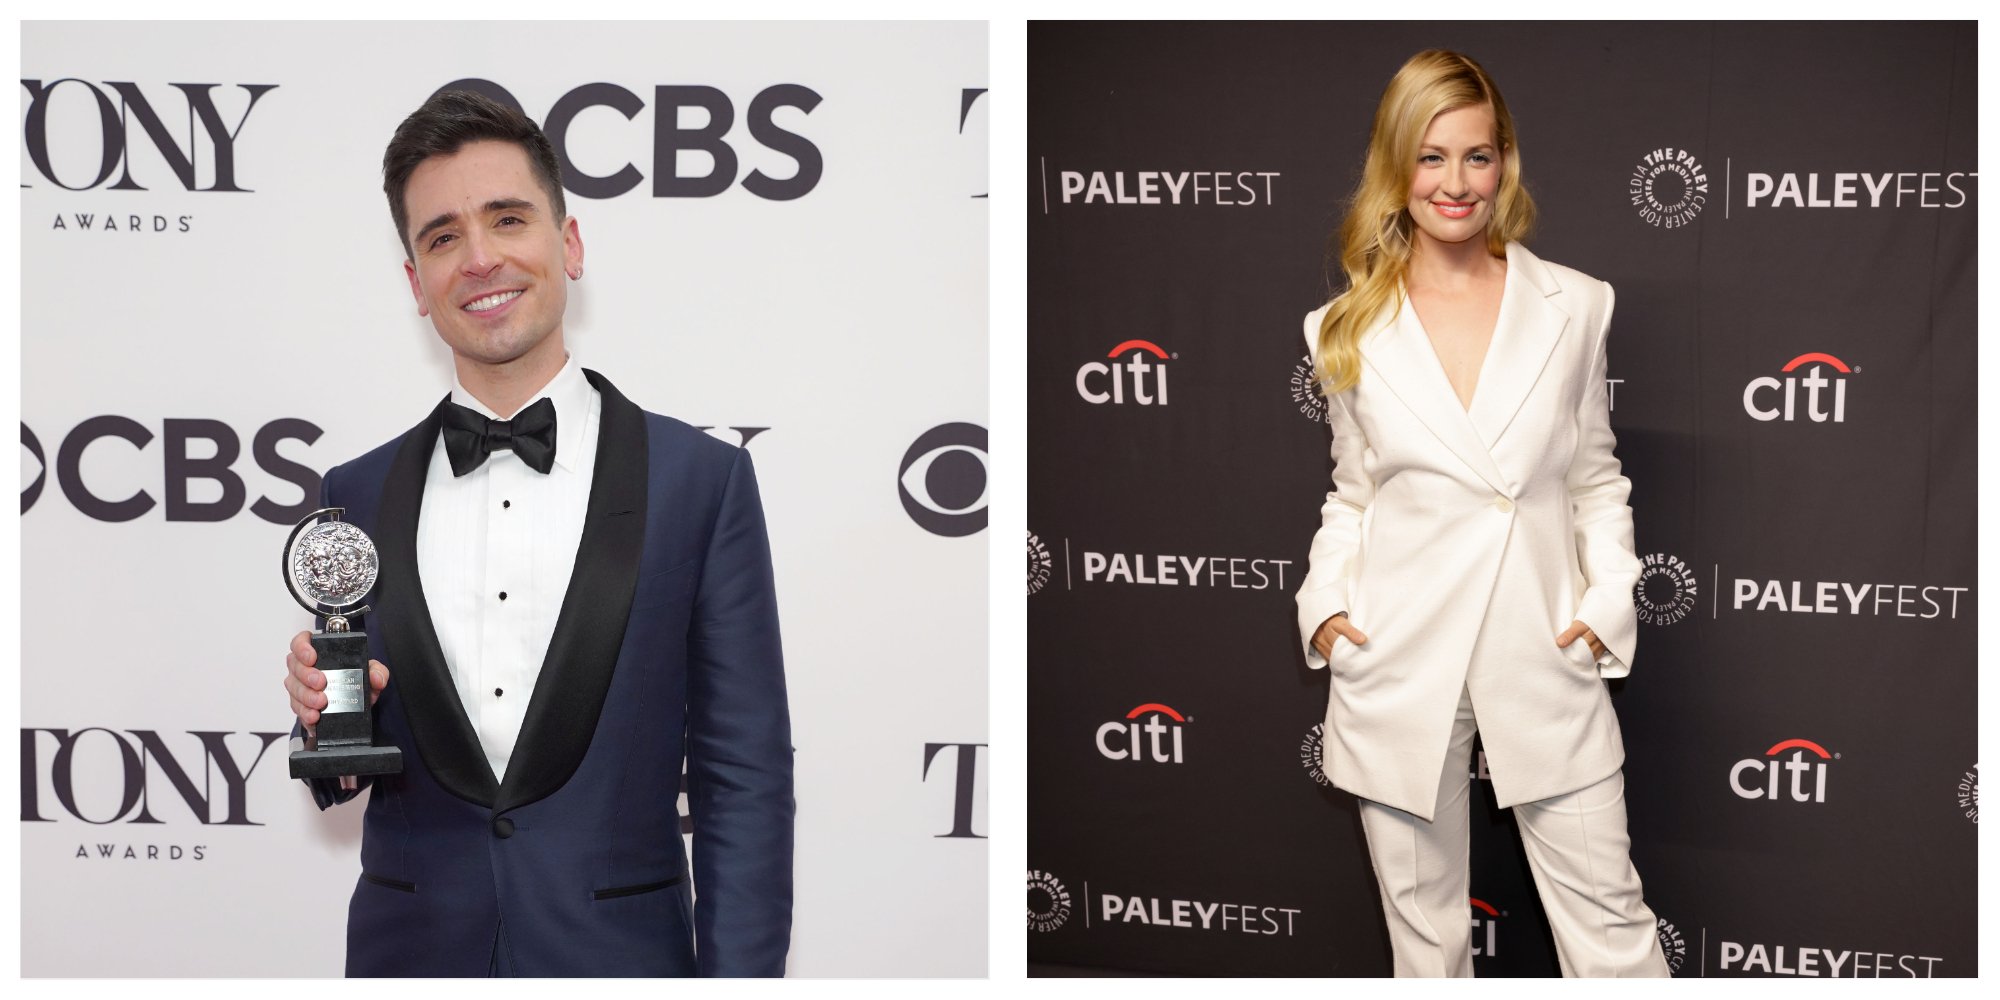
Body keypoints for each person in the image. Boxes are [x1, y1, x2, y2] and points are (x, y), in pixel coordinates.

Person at [280, 89, 793, 977]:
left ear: (570, 243)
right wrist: (324, 721)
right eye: (442, 237)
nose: (479, 259)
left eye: (507, 219)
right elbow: (342, 774)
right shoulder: (353, 493)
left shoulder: (700, 485)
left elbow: (742, 783)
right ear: (415, 283)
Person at [1295, 50, 1668, 978]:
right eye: (1430, 158)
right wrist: (1328, 608)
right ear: (1395, 167)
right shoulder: (1342, 326)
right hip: (1397, 649)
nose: (1455, 183)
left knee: (1610, 927)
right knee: (1425, 943)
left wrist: (1605, 601)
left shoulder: (1575, 306)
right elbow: (1355, 489)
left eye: (1477, 155)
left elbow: (1594, 477)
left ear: (1506, 163)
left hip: (1541, 645)